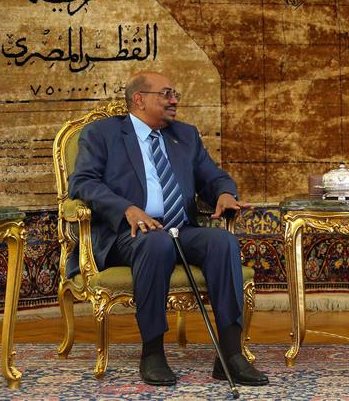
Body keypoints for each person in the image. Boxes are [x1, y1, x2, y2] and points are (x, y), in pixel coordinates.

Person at [68, 71, 269, 387]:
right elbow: (83, 182)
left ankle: (231, 355)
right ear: (139, 99)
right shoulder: (102, 133)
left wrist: (224, 193)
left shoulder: (185, 135)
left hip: (179, 229)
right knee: (156, 242)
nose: (174, 100)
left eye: (175, 94)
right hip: (127, 234)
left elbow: (213, 177)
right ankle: (153, 353)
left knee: (222, 242)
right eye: (166, 94)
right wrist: (127, 209)